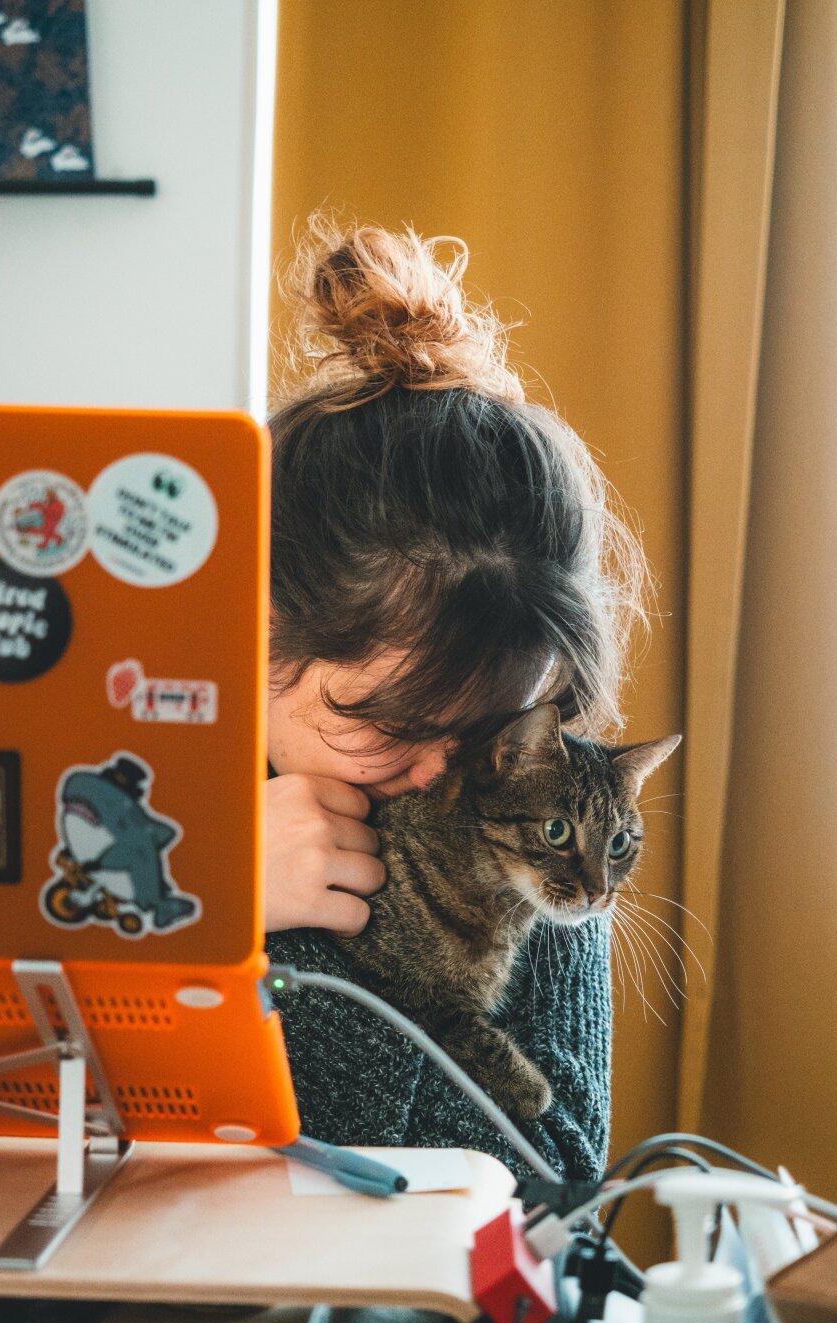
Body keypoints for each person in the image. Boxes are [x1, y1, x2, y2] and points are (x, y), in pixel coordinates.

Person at [263, 216, 650, 1180]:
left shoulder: (544, 798)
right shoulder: (107, 782)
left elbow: (552, 1170)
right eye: (386, 723)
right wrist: (196, 907)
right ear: (251, 628)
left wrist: (358, 975)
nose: (441, 771)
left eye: (479, 727)